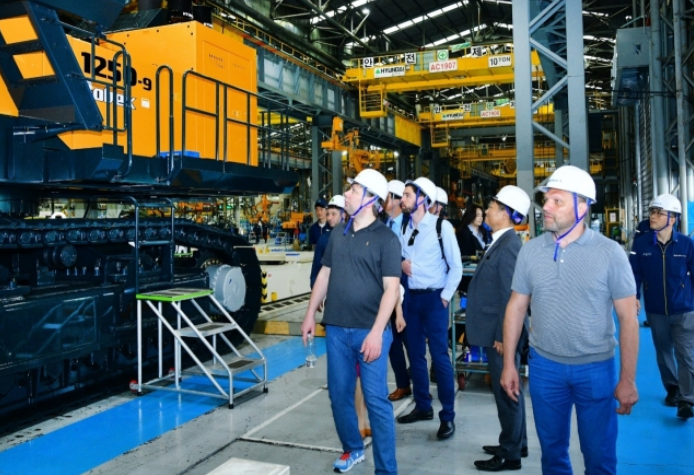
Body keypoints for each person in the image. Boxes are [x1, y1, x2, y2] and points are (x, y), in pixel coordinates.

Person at [500, 165, 639, 475]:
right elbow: (516, 307)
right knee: (552, 455)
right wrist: (510, 363)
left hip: (595, 369)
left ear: (583, 206)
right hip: (544, 368)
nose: (545, 208)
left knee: (599, 457)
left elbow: (628, 318)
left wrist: (627, 379)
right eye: (546, 200)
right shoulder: (531, 252)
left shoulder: (610, 253)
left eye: (557, 201)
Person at [301, 169, 401, 475]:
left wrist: (375, 333)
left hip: (370, 333)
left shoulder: (387, 239)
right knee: (338, 395)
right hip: (336, 330)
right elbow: (324, 275)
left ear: (371, 200)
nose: (347, 194)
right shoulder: (338, 234)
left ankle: (386, 469)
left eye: (354, 190)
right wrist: (309, 314)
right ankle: (352, 448)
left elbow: (391, 290)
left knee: (375, 401)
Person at [465, 186, 531, 472]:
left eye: (492, 207)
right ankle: (518, 441)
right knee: (510, 392)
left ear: (505, 214)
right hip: (498, 332)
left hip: (501, 336)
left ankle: (510, 454)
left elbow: (511, 299)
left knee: (506, 393)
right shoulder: (501, 242)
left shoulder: (509, 248)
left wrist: (505, 338)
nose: (487, 211)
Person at [396, 177, 463, 440]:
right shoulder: (404, 226)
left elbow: (456, 267)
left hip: (435, 300)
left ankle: (447, 416)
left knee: (440, 357)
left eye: (408, 195)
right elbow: (403, 257)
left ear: (423, 199)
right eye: (403, 195)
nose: (403, 199)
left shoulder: (441, 227)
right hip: (411, 299)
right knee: (416, 355)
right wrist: (402, 265)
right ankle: (423, 406)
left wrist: (445, 297)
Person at [629, 194, 694, 419]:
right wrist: (634, 296)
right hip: (656, 309)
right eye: (652, 212)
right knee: (663, 352)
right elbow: (634, 274)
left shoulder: (687, 244)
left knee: (686, 354)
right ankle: (673, 388)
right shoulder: (641, 245)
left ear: (672, 219)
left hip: (684, 309)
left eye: (659, 213)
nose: (653, 217)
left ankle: (687, 399)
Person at [384, 180, 412, 401]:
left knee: (410, 341)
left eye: (387, 197)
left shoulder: (408, 225)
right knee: (393, 342)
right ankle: (403, 384)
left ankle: (419, 387)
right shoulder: (385, 224)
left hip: (407, 290)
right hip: (389, 290)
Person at [309, 195, 344, 289]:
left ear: (343, 214)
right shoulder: (324, 239)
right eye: (328, 214)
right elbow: (316, 267)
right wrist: (314, 289)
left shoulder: (354, 238)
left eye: (333, 214)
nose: (329, 218)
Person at [456, 203, 489, 294]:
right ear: (471, 215)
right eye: (478, 215)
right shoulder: (463, 233)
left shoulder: (482, 232)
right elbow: (462, 255)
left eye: (482, 215)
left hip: (481, 274)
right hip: (468, 275)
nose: (480, 218)